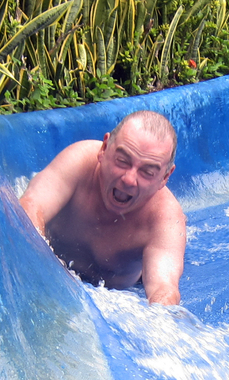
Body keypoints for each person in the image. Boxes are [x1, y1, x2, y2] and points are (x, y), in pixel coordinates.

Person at [18, 110, 187, 305]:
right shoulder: (79, 162)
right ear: (104, 148)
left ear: (165, 177)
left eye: (147, 172)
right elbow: (30, 207)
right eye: (122, 161)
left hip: (121, 291)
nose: (129, 179)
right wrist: (43, 268)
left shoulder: (166, 218)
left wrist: (161, 312)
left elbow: (164, 289)